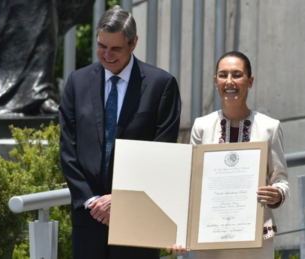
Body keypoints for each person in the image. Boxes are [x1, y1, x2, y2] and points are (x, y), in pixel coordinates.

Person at [59, 6, 181, 259]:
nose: (107, 55)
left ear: (134, 43)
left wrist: (121, 199)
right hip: (89, 217)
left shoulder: (161, 85)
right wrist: (92, 201)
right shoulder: (77, 82)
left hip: (138, 217)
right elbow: (68, 149)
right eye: (102, 46)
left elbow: (163, 154)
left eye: (116, 48)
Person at [168, 51, 289, 258]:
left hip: (255, 237)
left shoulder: (270, 127)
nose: (229, 81)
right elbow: (190, 183)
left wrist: (277, 194)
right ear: (216, 81)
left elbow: (281, 179)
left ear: (250, 81)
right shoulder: (202, 126)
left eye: (237, 75)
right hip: (210, 235)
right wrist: (180, 231)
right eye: (223, 75)